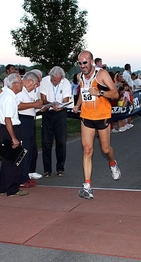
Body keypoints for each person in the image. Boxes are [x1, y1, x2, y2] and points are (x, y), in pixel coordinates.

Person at [72, 50, 121, 199]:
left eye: (85, 62)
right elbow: (83, 92)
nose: (82, 66)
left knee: (105, 149)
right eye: (80, 63)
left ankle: (112, 163)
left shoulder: (102, 74)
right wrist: (77, 105)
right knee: (87, 150)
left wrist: (100, 93)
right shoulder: (80, 76)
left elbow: (115, 94)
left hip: (102, 116)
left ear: (92, 62)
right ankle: (87, 185)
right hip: (86, 116)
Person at [0, 73, 27, 197]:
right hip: (10, 128)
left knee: (7, 160)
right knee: (14, 160)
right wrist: (14, 137)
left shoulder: (4, 95)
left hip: (5, 128)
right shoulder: (9, 98)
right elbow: (8, 119)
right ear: (14, 84)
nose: (22, 84)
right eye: (20, 82)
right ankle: (12, 188)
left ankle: (3, 187)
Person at [39, 66, 72, 178]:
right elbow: (42, 98)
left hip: (60, 113)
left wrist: (60, 106)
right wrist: (52, 104)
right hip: (48, 112)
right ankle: (47, 169)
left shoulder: (66, 82)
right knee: (46, 142)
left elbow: (66, 100)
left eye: (58, 81)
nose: (56, 83)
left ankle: (60, 168)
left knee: (61, 141)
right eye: (54, 81)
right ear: (51, 76)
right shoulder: (44, 81)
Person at [16, 71, 43, 188]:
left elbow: (33, 106)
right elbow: (19, 106)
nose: (36, 87)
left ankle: (26, 175)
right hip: (23, 120)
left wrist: (39, 106)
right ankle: (21, 178)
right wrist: (34, 104)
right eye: (35, 84)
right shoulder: (20, 91)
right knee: (24, 149)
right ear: (29, 81)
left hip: (31, 119)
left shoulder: (30, 92)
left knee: (30, 149)